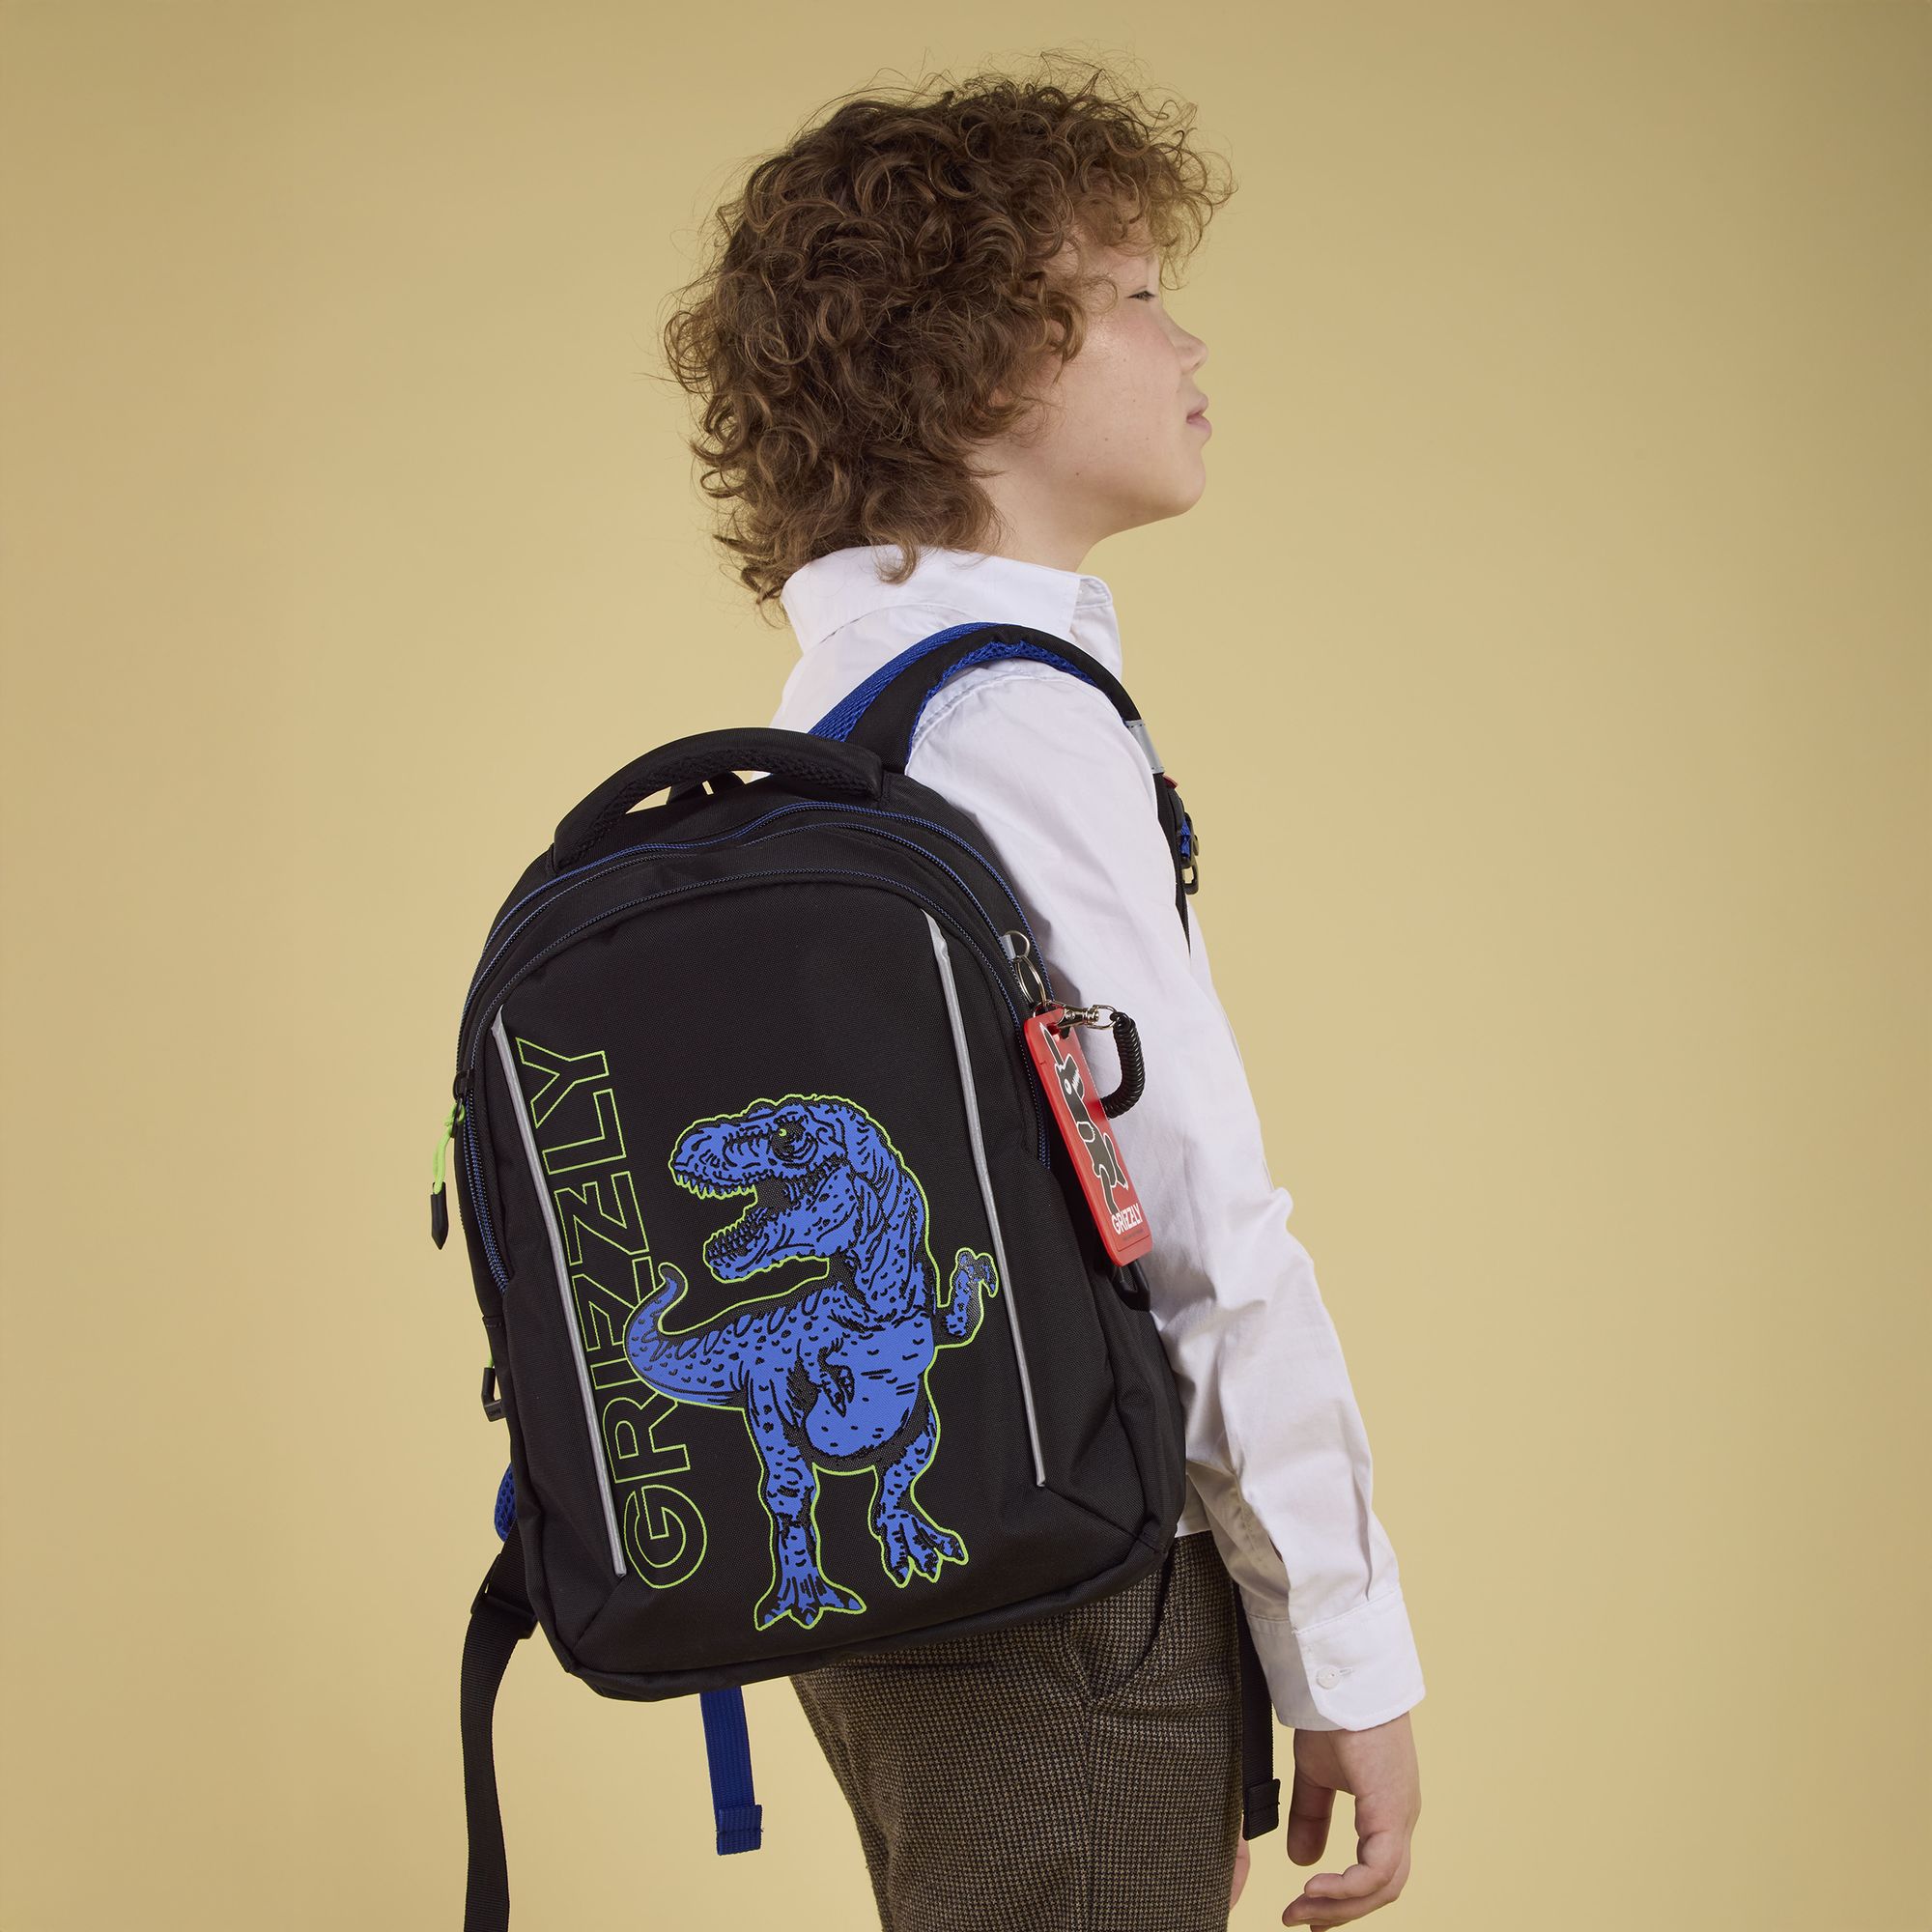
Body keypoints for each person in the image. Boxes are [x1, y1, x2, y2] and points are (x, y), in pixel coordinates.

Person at [660, 54, 1425, 1932]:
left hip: (904, 1563)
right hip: (1068, 1589)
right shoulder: (1010, 715)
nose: (1188, 340)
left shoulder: (841, 707)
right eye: (1136, 290)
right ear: (981, 359)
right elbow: (1189, 1209)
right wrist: (1341, 1644)